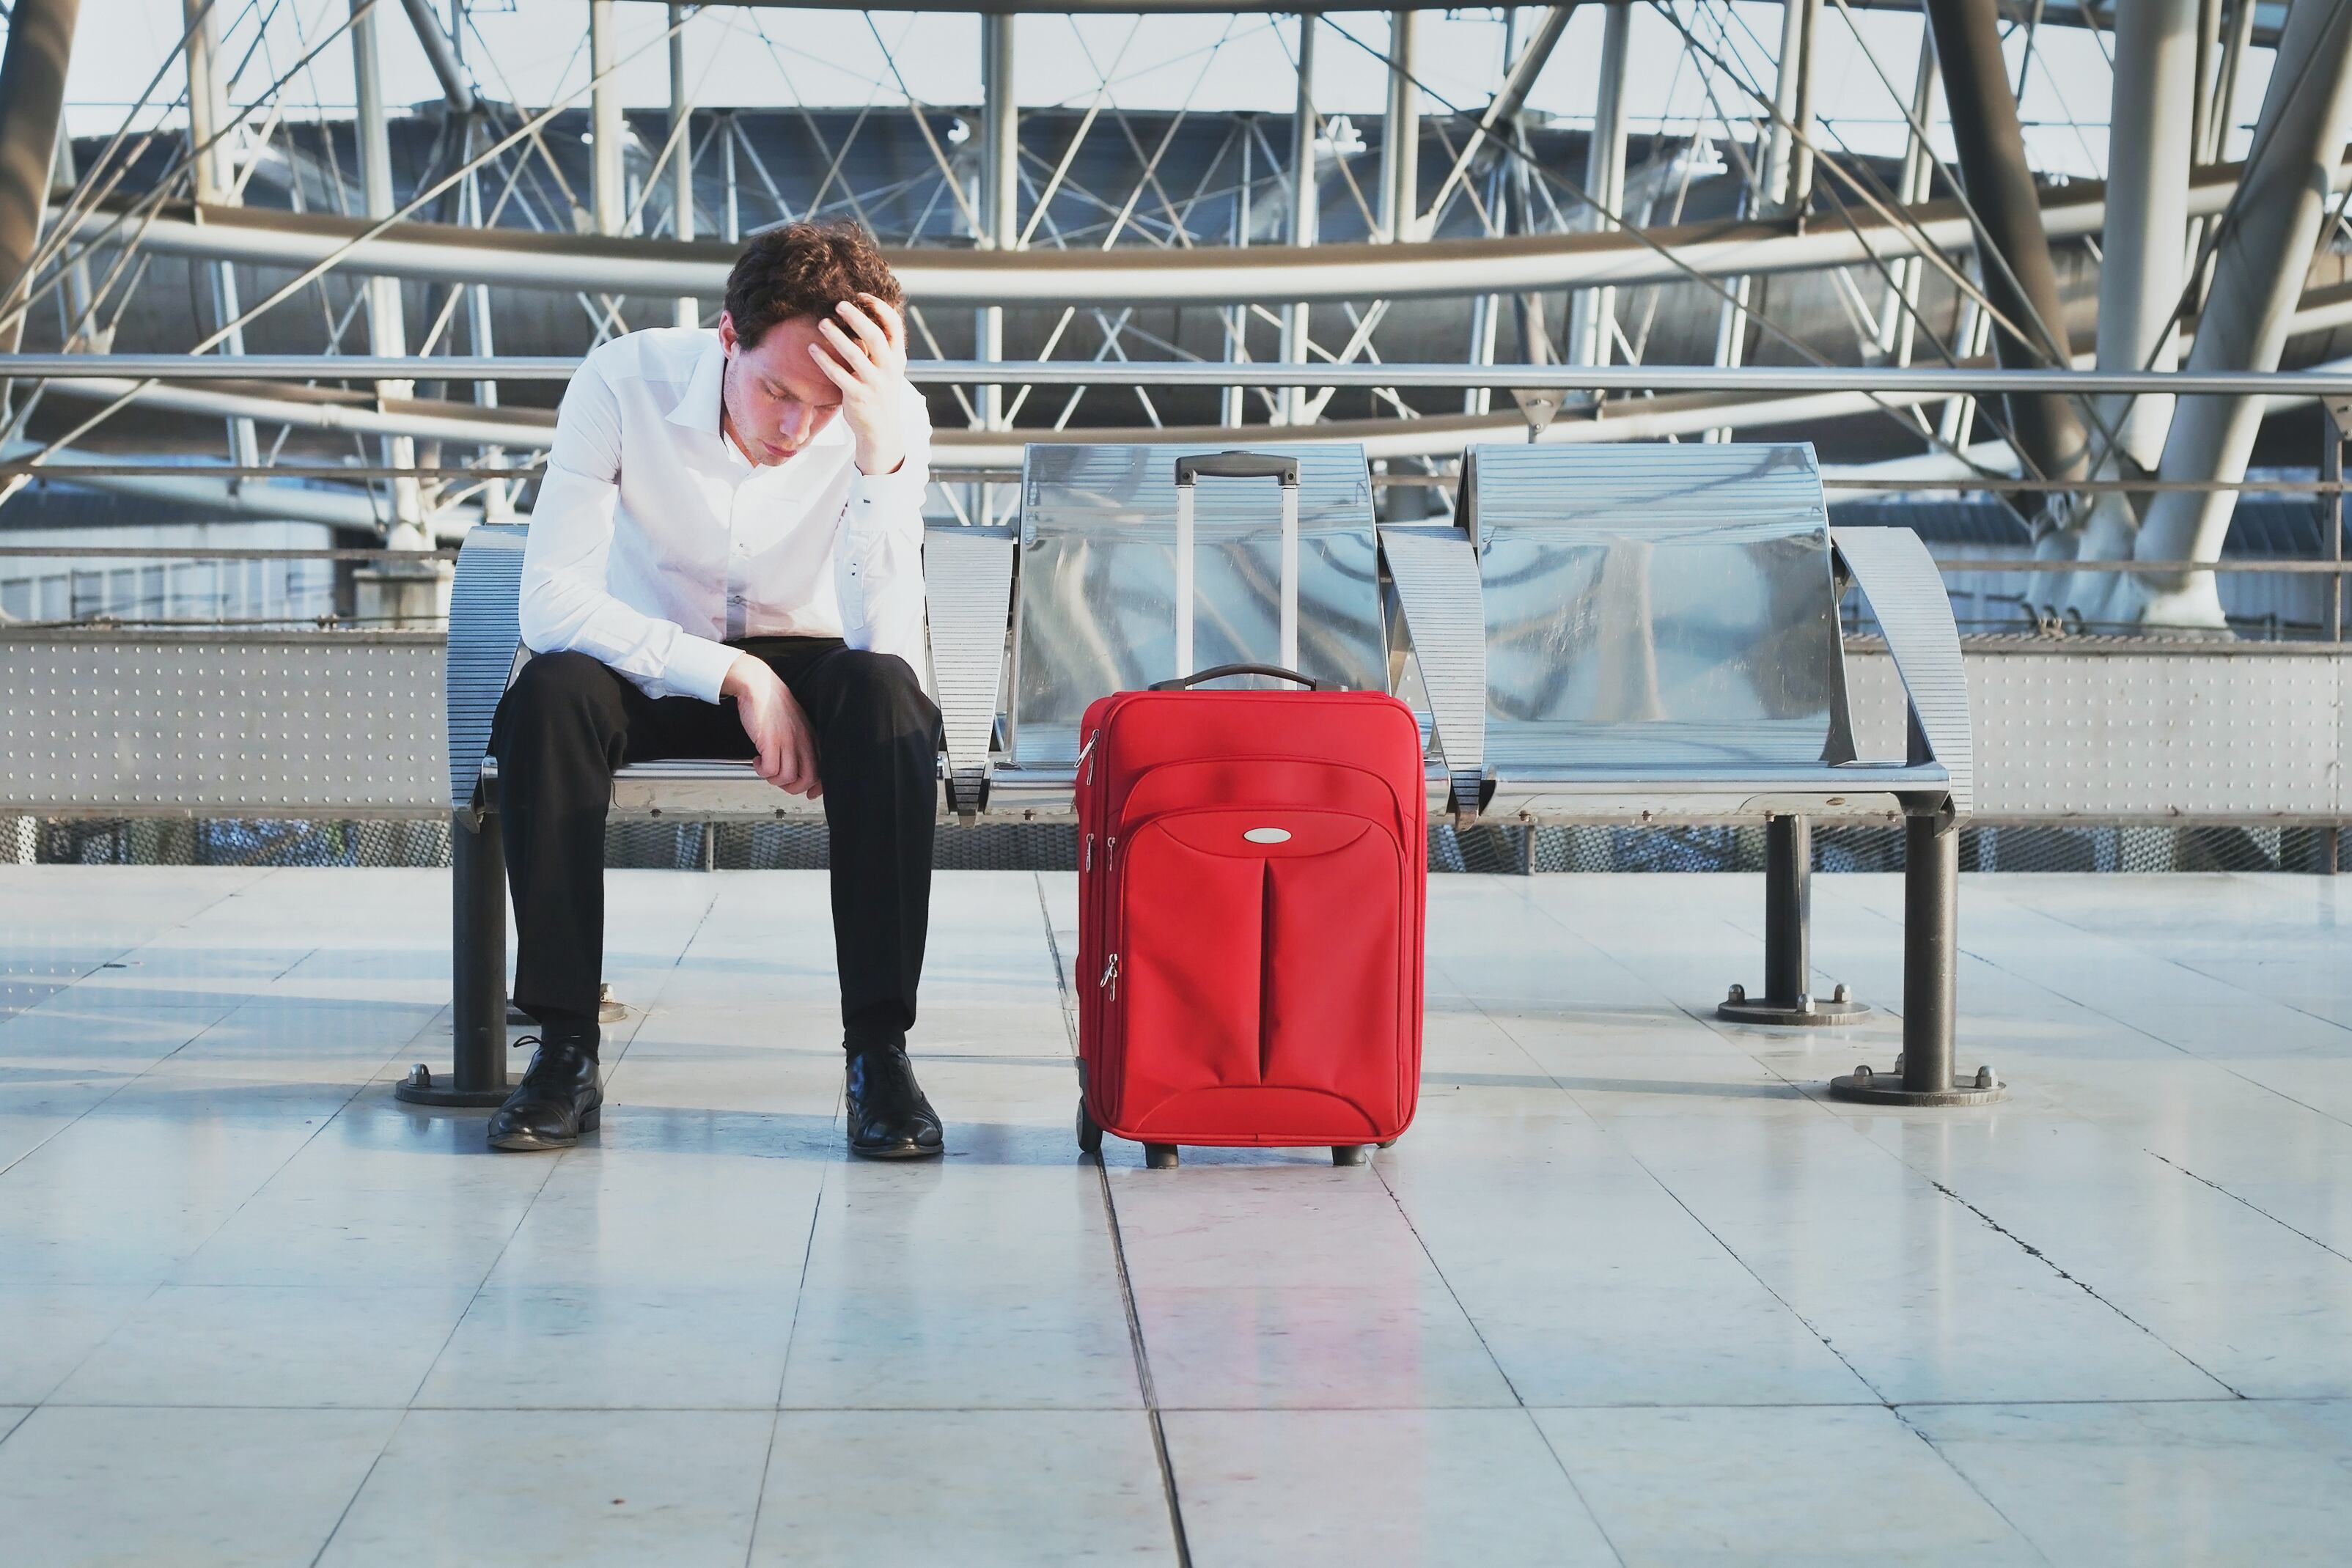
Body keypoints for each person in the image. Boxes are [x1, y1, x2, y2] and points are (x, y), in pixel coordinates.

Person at [484, 220, 944, 1160]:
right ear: (727, 336)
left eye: (823, 407)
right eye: (777, 391)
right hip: (651, 659)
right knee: (550, 698)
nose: (793, 429)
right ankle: (564, 1050)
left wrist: (875, 454)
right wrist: (735, 675)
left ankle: (880, 1057)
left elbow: (885, 639)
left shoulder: (881, 418)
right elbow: (550, 601)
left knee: (887, 700)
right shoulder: (623, 382)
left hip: (818, 660)